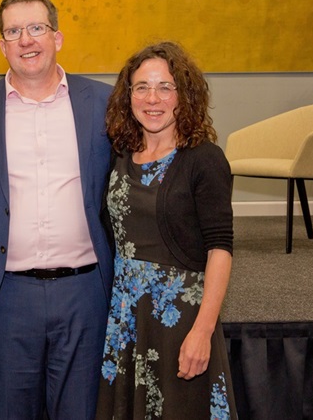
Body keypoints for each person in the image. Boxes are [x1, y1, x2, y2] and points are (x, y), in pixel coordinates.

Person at [0, 0, 114, 419]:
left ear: (58, 37)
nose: (26, 40)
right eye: (13, 31)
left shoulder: (105, 103)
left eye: (36, 28)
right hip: (4, 297)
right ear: (2, 46)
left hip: (85, 294)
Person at [95, 41, 238, 419]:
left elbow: (220, 249)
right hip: (126, 318)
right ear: (129, 97)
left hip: (179, 320)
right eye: (142, 87)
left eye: (165, 87)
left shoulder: (204, 159)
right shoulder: (120, 152)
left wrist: (202, 332)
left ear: (183, 95)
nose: (152, 98)